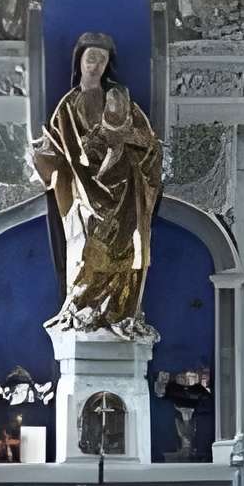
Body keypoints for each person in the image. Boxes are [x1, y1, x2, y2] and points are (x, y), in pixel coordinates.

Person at [31, 31, 161, 335]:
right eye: (91, 58)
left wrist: (120, 142)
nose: (96, 65)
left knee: (129, 248)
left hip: (125, 188)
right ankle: (81, 307)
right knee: (87, 245)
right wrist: (42, 154)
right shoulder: (67, 106)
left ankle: (120, 311)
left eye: (102, 60)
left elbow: (148, 142)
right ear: (80, 61)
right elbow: (57, 150)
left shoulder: (121, 98)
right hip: (83, 189)